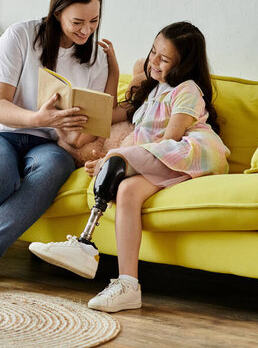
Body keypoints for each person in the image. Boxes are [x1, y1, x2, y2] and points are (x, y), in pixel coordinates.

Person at [29, 22, 230, 312]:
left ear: (184, 64)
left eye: (164, 59)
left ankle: (84, 244)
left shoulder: (187, 90)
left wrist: (119, 160)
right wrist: (110, 159)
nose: (154, 62)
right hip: (163, 161)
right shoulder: (151, 94)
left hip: (190, 153)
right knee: (126, 193)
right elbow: (139, 138)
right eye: (153, 53)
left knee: (118, 164)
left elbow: (169, 139)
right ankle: (128, 285)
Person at [0, 0, 119, 292]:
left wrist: (112, 74)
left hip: (45, 143)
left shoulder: (95, 58)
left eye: (94, 21)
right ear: (57, 13)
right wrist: (39, 117)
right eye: (77, 22)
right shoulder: (20, 36)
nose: (86, 30)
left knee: (56, 165)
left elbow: (90, 127)